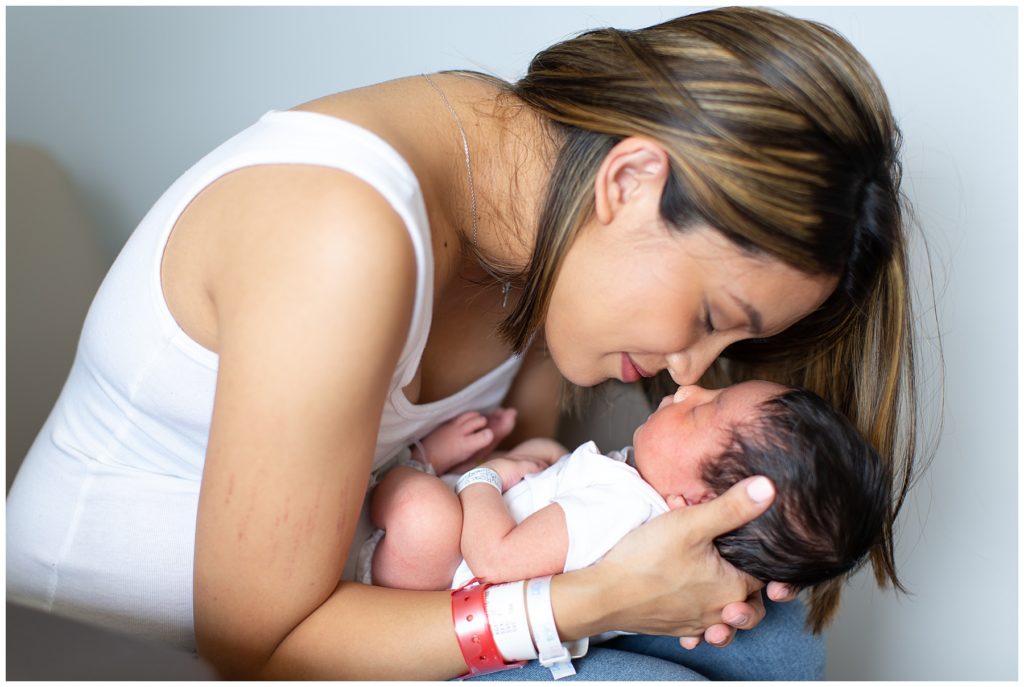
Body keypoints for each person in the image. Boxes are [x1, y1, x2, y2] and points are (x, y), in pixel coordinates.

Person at [5, 6, 918, 681]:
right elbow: (258, 650)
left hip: (399, 583)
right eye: (716, 313)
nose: (688, 370)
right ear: (632, 180)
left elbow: (519, 475)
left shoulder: (531, 215)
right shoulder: (341, 237)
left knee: (780, 642)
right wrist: (596, 600)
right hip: (132, 647)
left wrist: (705, 556)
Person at [362, 381, 892, 637]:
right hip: (457, 586)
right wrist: (546, 463)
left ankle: (414, 462)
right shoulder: (644, 511)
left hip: (424, 588)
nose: (688, 387)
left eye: (703, 408)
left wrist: (484, 477)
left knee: (423, 513)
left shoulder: (617, 508)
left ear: (709, 502)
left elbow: (496, 562)